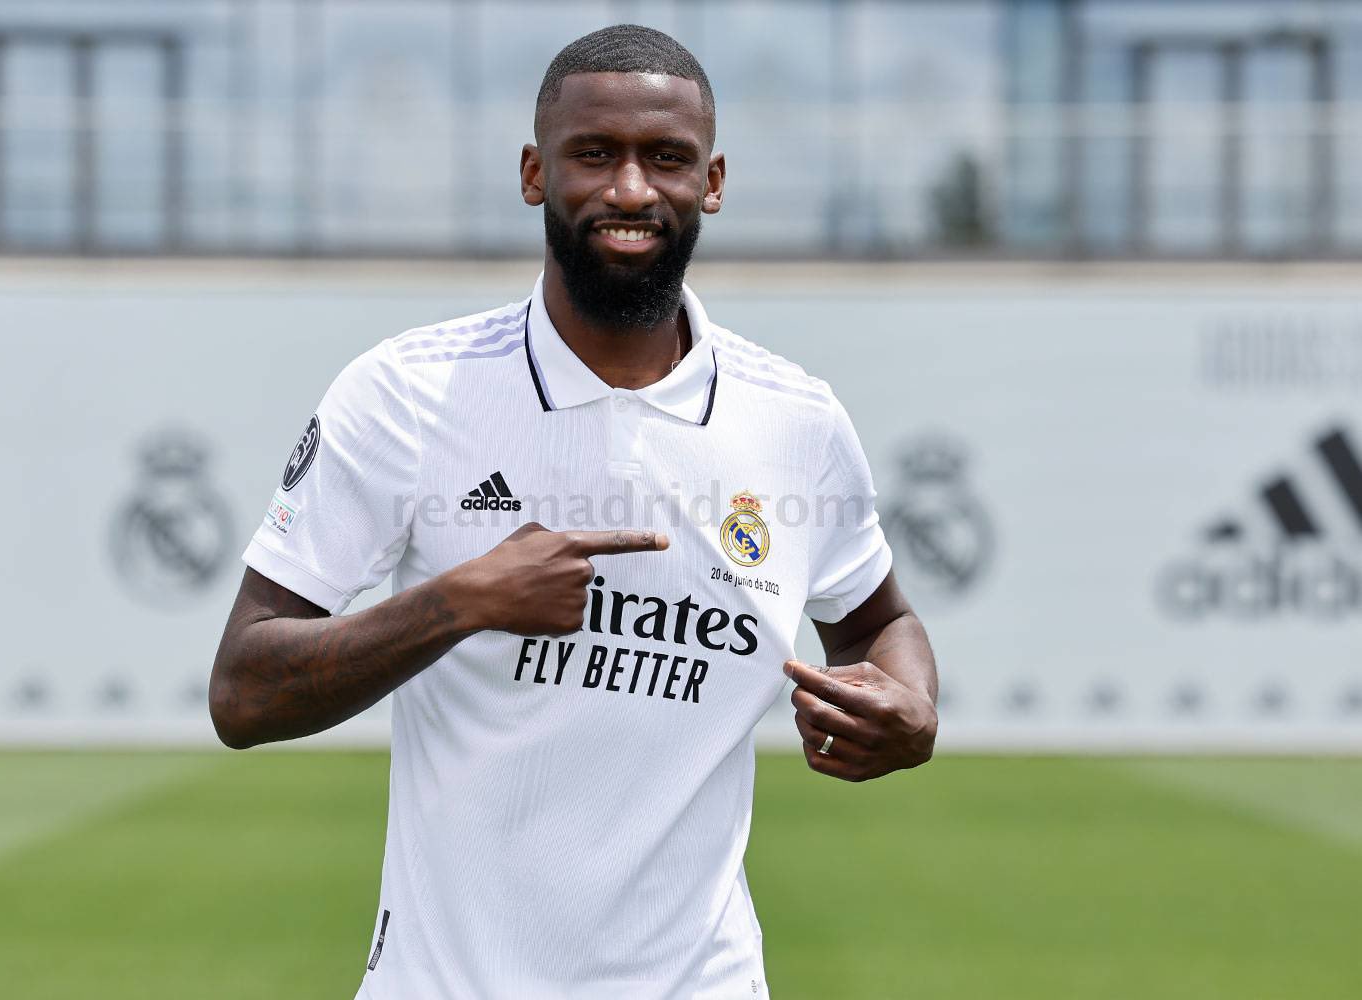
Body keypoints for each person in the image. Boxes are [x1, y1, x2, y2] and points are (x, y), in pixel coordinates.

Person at [210, 23, 938, 1000]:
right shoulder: (406, 395)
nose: (630, 190)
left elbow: (879, 621)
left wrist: (911, 708)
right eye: (594, 154)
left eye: (666, 158)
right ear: (534, 173)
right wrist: (460, 601)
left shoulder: (797, 421)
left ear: (713, 182)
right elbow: (244, 693)